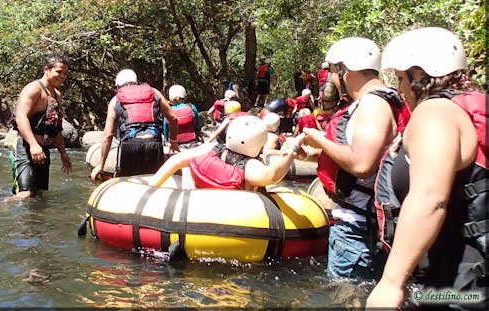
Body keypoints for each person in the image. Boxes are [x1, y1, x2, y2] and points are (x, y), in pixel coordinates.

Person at [366, 28, 487, 309]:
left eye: (400, 79)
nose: (400, 89)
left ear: (419, 75)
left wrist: (391, 282)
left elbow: (430, 199)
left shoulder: (435, 113)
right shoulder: (469, 107)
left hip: (458, 286)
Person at [297, 37, 411, 280]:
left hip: (357, 229)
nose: (330, 80)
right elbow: (372, 155)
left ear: (344, 69)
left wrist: (319, 139)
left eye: (332, 72)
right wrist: (315, 154)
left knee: (347, 299)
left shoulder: (372, 105)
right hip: (363, 224)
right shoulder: (383, 100)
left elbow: (361, 164)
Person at [149, 115, 306, 191]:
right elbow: (272, 176)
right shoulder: (250, 167)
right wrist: (291, 151)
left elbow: (176, 160)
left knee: (187, 167)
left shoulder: (209, 149)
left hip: (197, 208)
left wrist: (153, 186)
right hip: (233, 222)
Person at [90, 69, 179, 181]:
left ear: (118, 86)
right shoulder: (154, 92)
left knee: (130, 183)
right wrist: (173, 142)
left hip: (130, 147)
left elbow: (108, 135)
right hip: (154, 145)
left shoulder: (115, 99)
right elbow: (173, 118)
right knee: (155, 183)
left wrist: (101, 165)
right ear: (136, 82)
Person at [10, 53, 72, 199]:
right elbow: (21, 117)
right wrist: (33, 145)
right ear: (46, 69)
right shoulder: (33, 89)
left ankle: (34, 222)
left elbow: (56, 126)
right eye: (59, 72)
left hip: (43, 150)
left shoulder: (57, 95)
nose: (62, 76)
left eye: (65, 73)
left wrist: (63, 153)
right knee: (26, 194)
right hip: (25, 147)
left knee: (39, 195)